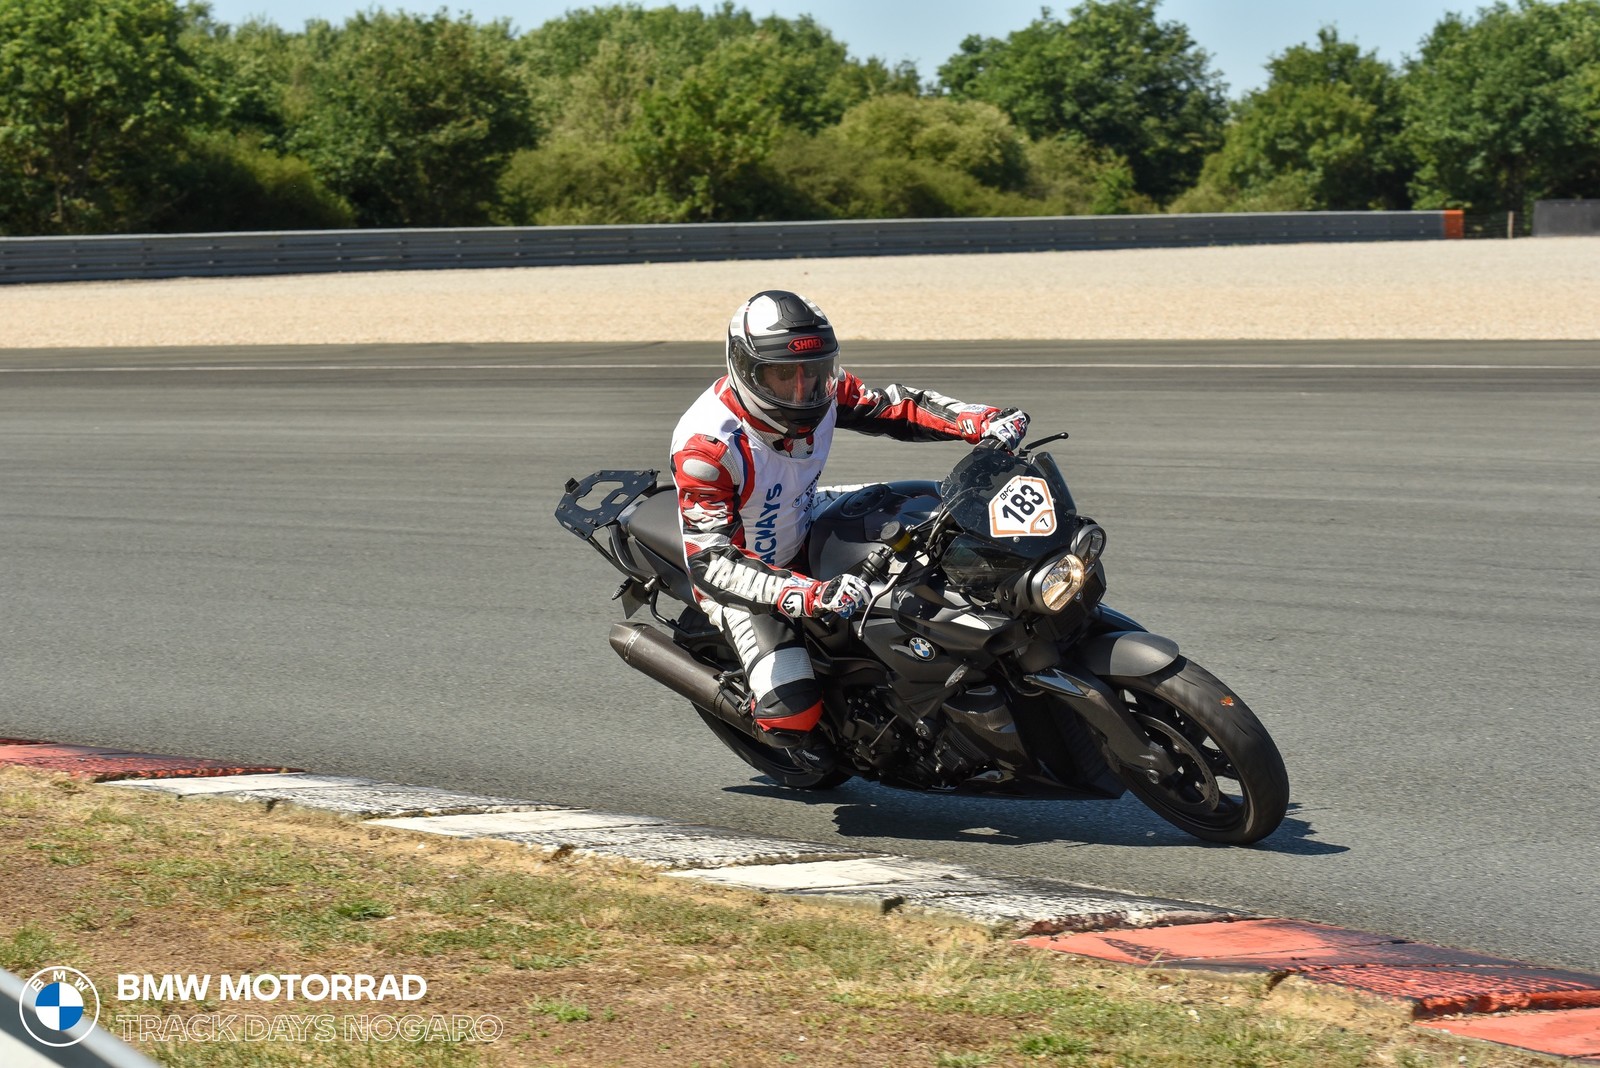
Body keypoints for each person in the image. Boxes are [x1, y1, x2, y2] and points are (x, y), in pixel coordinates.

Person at [669, 290, 1029, 767]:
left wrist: (980, 420)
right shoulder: (709, 448)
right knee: (791, 718)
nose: (802, 390)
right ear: (746, 368)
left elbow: (896, 407)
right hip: (750, 576)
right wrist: (808, 596)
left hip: (807, 510)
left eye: (813, 372)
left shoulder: (823, 389)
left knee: (938, 509)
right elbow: (712, 563)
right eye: (783, 375)